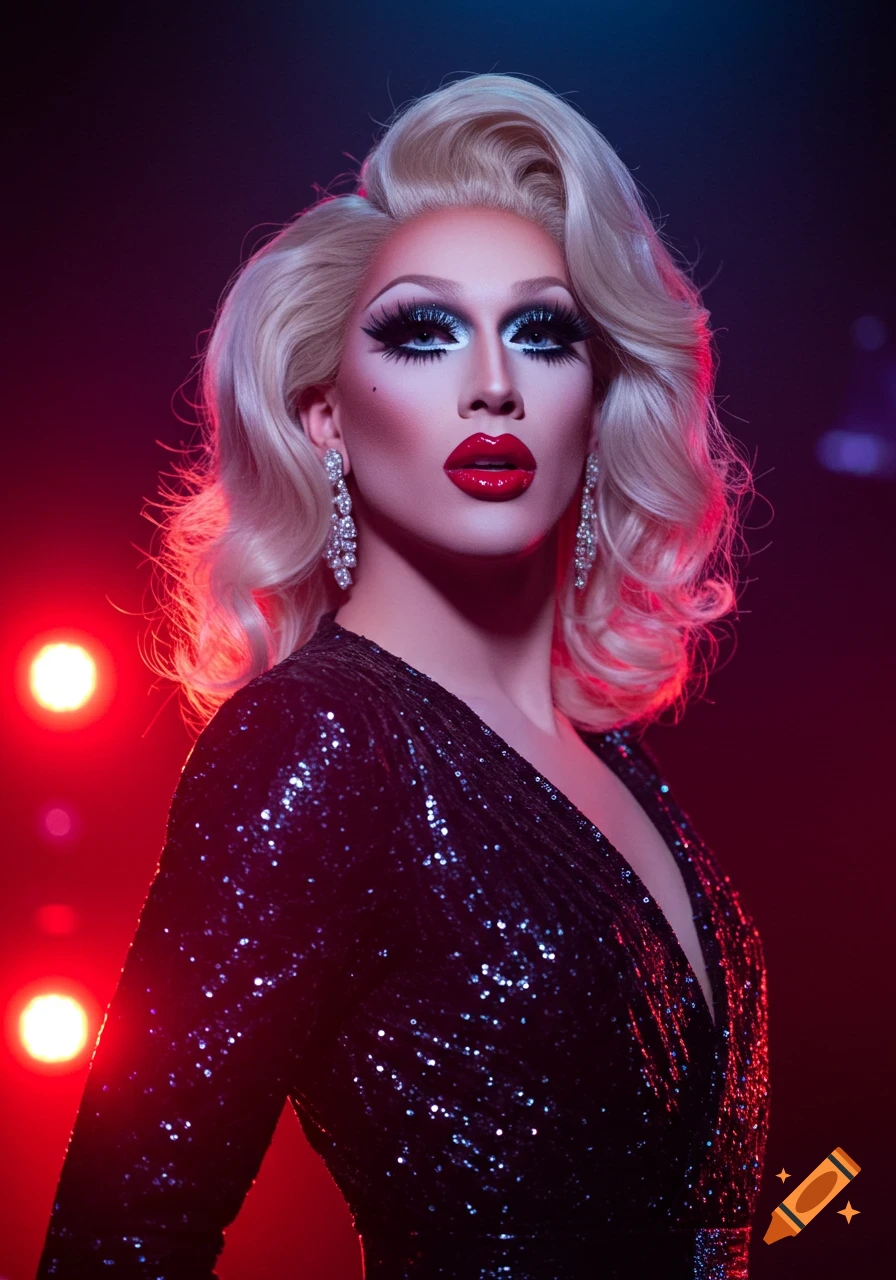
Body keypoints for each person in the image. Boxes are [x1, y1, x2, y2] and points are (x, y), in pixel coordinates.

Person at [36, 73, 769, 1279]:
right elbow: (120, 1240)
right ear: (323, 413)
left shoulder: (612, 761)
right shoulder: (320, 741)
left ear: (595, 399)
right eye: (422, 331)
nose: (493, 381)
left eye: (543, 332)